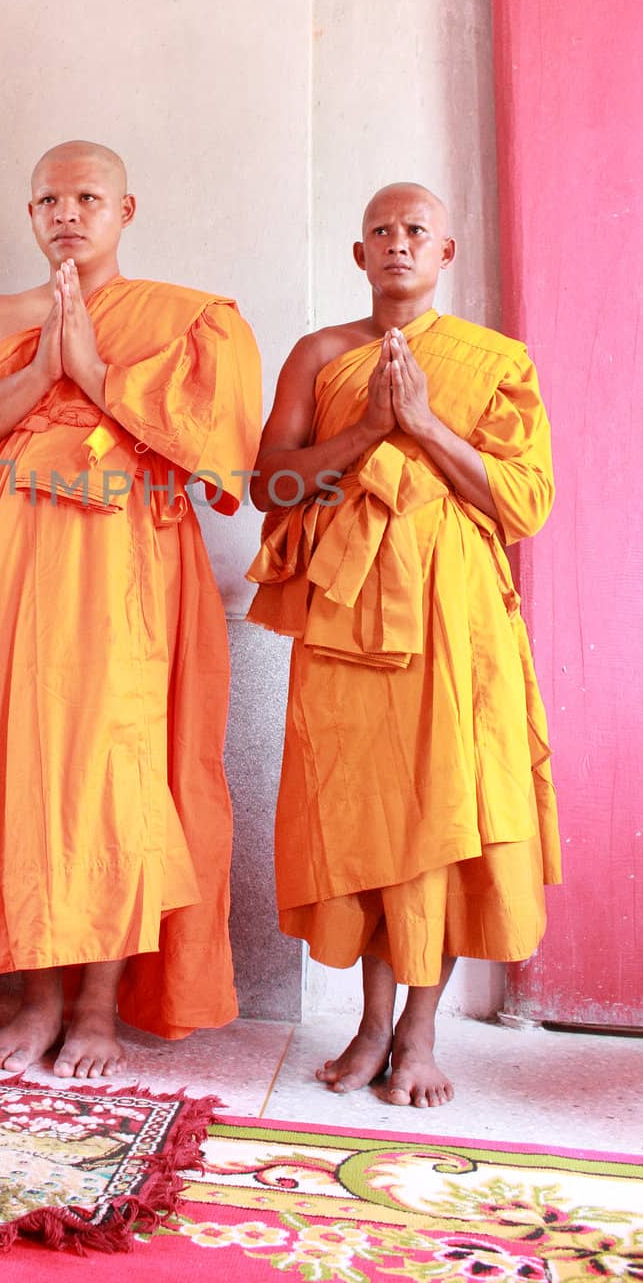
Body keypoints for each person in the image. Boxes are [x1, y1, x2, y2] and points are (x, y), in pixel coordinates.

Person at [0, 141, 261, 1078]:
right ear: (29, 215)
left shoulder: (187, 320)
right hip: (16, 572)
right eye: (48, 200)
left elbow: (218, 458)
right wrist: (38, 375)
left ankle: (99, 1010)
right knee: (18, 771)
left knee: (115, 774)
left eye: (88, 197)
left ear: (126, 209)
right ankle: (35, 1001)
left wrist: (96, 372)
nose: (67, 213)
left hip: (128, 575)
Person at [248, 182, 560, 1108]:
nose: (396, 243)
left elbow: (524, 502)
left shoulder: (494, 362)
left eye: (414, 230)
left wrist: (423, 423)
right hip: (344, 620)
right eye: (379, 231)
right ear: (357, 254)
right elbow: (270, 485)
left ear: (444, 253)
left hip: (452, 624)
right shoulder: (319, 355)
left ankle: (419, 1033)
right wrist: (372, 429)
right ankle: (368, 1026)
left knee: (441, 815)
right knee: (360, 816)